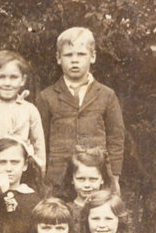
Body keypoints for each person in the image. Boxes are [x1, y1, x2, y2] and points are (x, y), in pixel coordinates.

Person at [37, 27, 125, 189]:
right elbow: (40, 140)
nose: (74, 60)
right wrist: (43, 176)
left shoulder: (107, 95)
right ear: (58, 58)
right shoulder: (47, 96)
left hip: (95, 176)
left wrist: (115, 177)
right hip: (57, 178)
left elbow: (116, 138)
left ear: (92, 57)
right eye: (68, 55)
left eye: (81, 54)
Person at [0, 49, 46, 173]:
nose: (7, 83)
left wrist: (38, 176)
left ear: (22, 80)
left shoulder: (29, 110)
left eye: (13, 77)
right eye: (1, 77)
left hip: (22, 176)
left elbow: (39, 147)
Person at [0, 136, 46, 233]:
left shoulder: (32, 198)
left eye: (15, 162)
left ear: (25, 165)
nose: (9, 168)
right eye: (2, 162)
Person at [58, 147, 114, 222]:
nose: (87, 185)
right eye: (81, 179)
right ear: (72, 179)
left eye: (93, 179)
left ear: (102, 179)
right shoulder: (65, 210)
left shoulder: (109, 207)